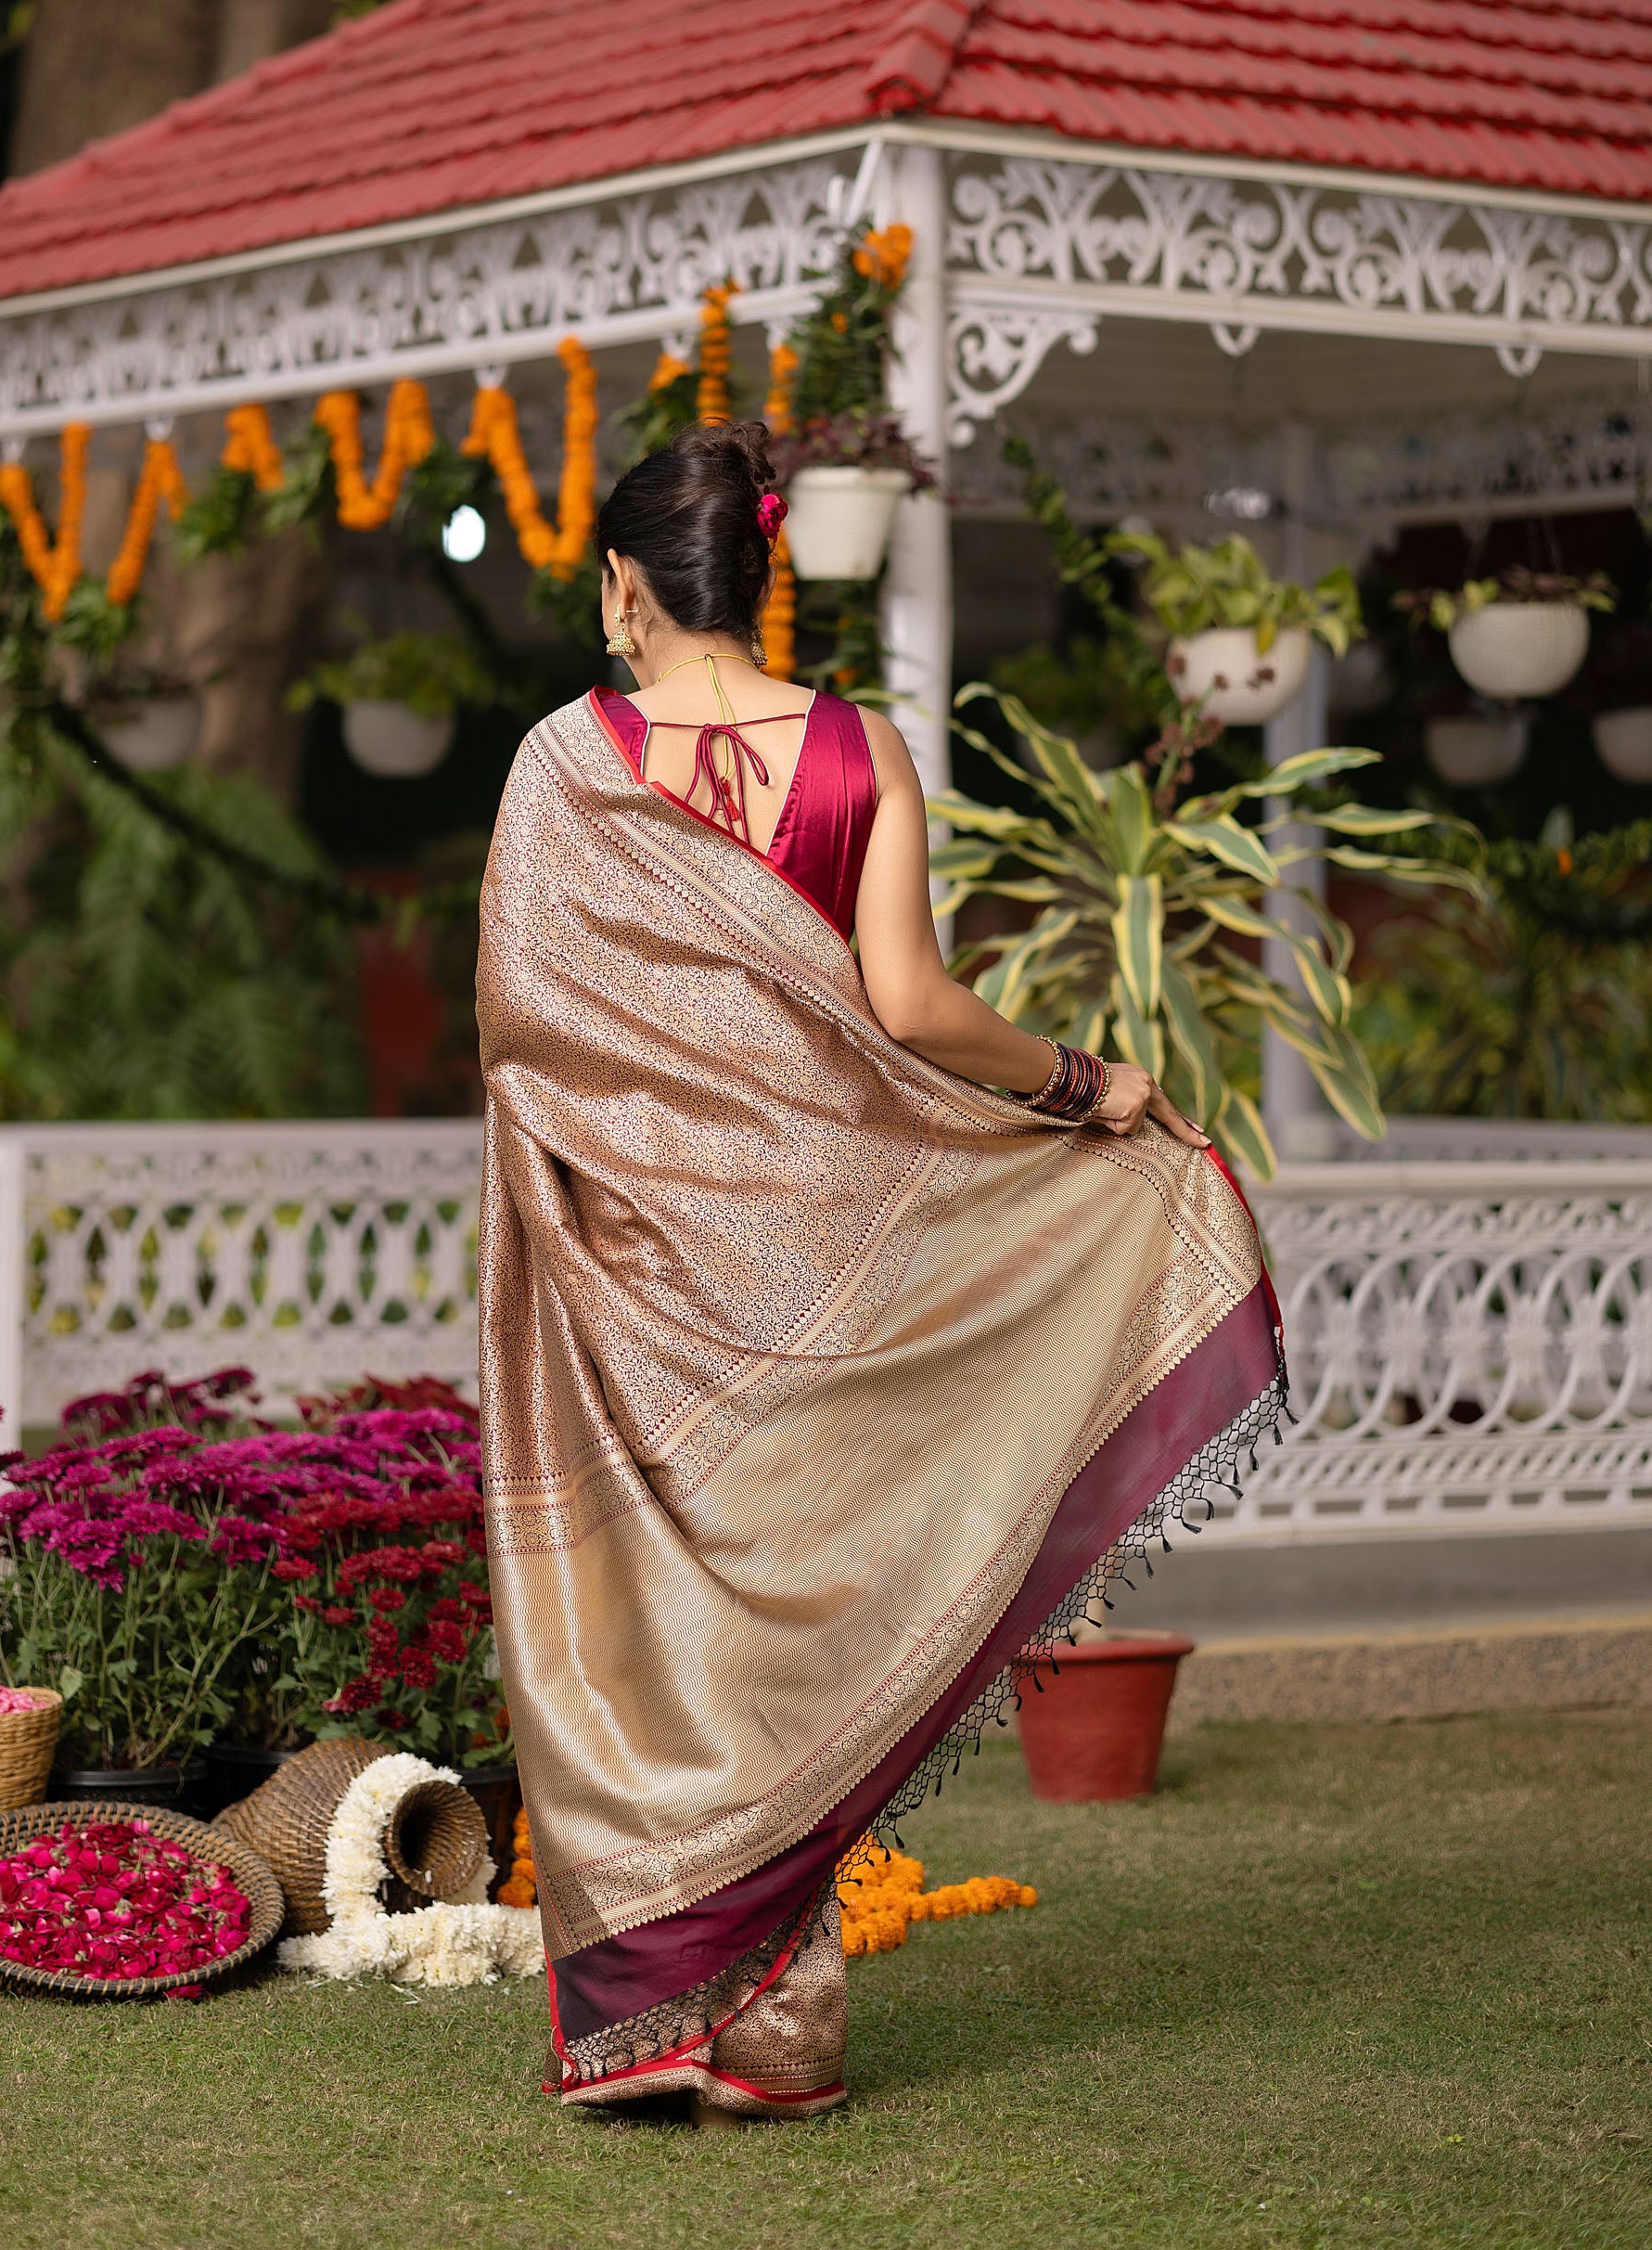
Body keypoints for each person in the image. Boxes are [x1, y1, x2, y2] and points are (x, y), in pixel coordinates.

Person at [476, 420, 1284, 2126]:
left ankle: (651, 2016)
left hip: (640, 1264)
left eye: (609, 589)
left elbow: (526, 1038)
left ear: (629, 584)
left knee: (666, 1624)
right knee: (818, 1616)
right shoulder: (857, 748)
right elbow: (914, 1012)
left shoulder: (562, 762)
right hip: (840, 1256)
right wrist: (1090, 1085)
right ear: (754, 576)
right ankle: (775, 2028)